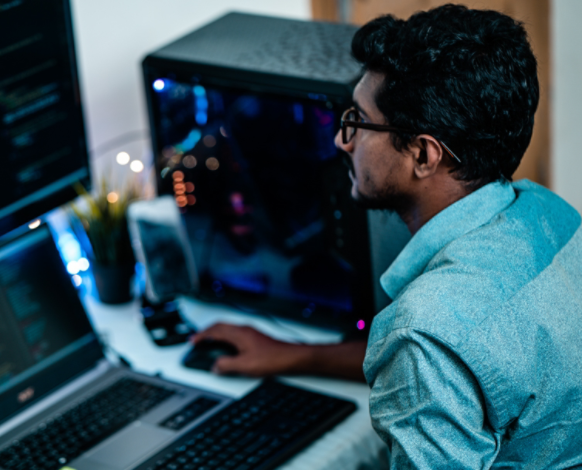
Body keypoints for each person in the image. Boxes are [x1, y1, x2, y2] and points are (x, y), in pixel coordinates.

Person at [192, 4, 582, 467]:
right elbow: (463, 360)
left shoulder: (423, 334)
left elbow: (432, 347)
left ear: (423, 154)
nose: (342, 140)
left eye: (358, 119)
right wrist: (294, 355)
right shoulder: (548, 212)